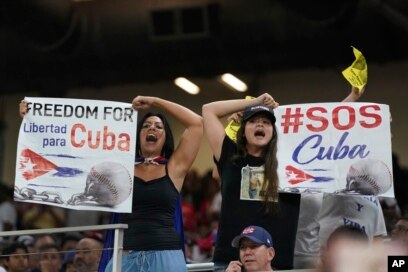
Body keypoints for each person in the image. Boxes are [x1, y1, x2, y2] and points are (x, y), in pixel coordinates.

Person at [103, 96, 203, 272]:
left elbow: (196, 124)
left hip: (166, 258)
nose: (152, 128)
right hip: (126, 258)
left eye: (158, 127)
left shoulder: (174, 168)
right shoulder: (121, 167)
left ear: (165, 138)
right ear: (138, 135)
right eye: (146, 126)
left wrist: (155, 101)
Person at [203, 93, 301, 270]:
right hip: (231, 262)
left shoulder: (292, 162)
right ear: (243, 129)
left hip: (275, 264)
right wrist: (255, 102)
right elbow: (208, 110)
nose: (260, 124)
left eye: (266, 122)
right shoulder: (229, 156)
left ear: (273, 130)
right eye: (253, 120)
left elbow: (326, 135)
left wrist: (351, 100)